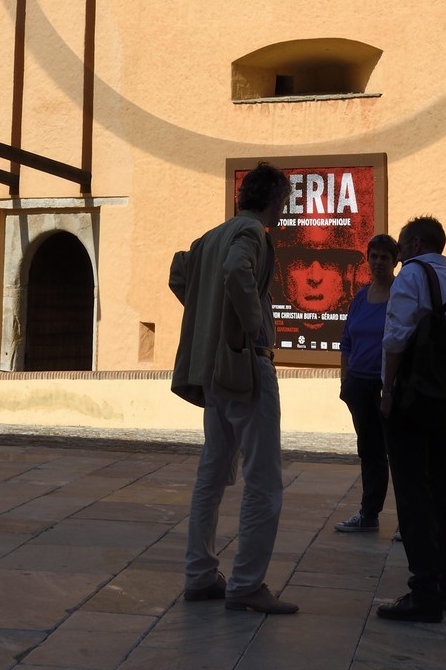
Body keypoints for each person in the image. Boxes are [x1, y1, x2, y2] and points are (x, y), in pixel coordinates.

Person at [169, 162, 299, 616]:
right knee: (263, 480)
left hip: (213, 372)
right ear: (273, 199)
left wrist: (210, 314)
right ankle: (246, 584)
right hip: (245, 368)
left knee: (213, 474)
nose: (284, 210)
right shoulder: (252, 234)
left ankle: (199, 574)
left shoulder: (209, 236)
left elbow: (178, 274)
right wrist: (251, 327)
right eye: (283, 201)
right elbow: (235, 270)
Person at [377, 215, 446, 624]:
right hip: (445, 404)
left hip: (410, 400)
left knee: (412, 492)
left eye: (402, 246)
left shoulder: (410, 277)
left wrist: (388, 392)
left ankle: (423, 591)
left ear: (416, 243)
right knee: (445, 491)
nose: (399, 254)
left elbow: (396, 336)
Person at [334, 233, 400, 533]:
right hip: (359, 386)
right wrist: (345, 379)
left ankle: (409, 523)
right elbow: (346, 341)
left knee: (399, 454)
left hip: (389, 388)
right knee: (370, 452)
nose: (378, 262)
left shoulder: (401, 296)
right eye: (373, 256)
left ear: (395, 261)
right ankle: (369, 514)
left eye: (384, 257)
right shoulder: (360, 296)